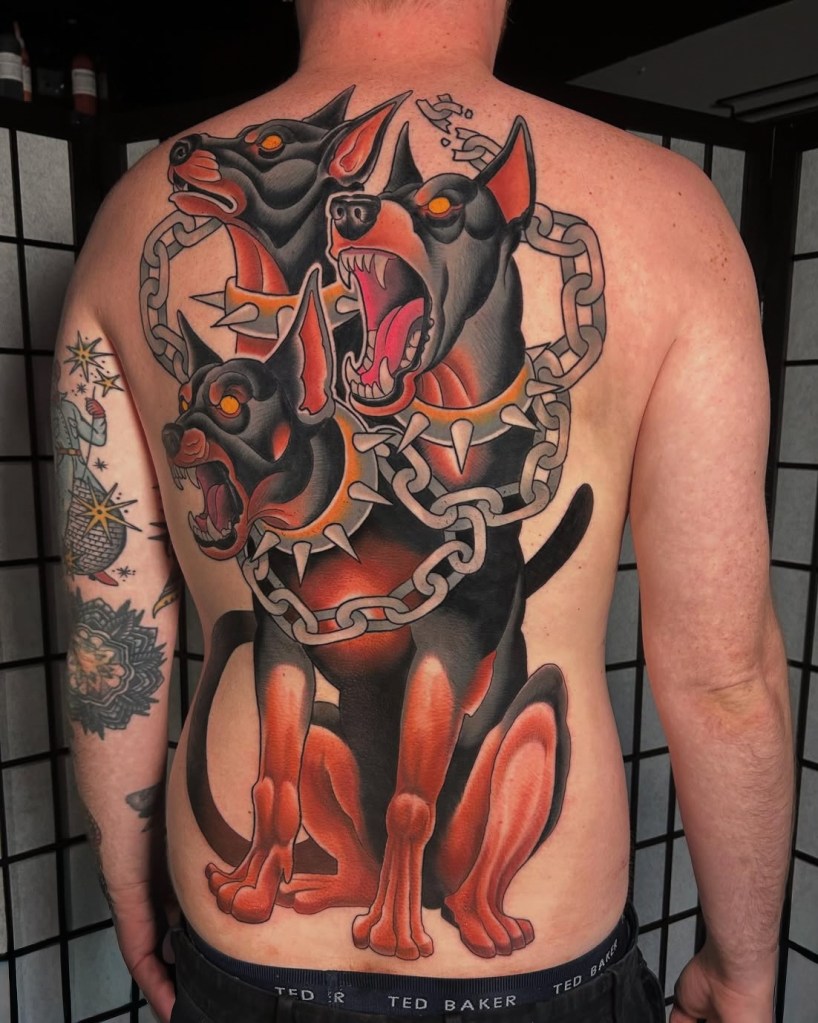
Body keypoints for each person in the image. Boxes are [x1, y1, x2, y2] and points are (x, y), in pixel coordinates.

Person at [51, 1, 793, 1021]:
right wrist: (744, 965)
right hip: (542, 977)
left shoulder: (128, 222)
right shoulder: (673, 217)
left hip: (240, 960)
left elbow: (110, 642)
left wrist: (131, 894)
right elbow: (724, 679)